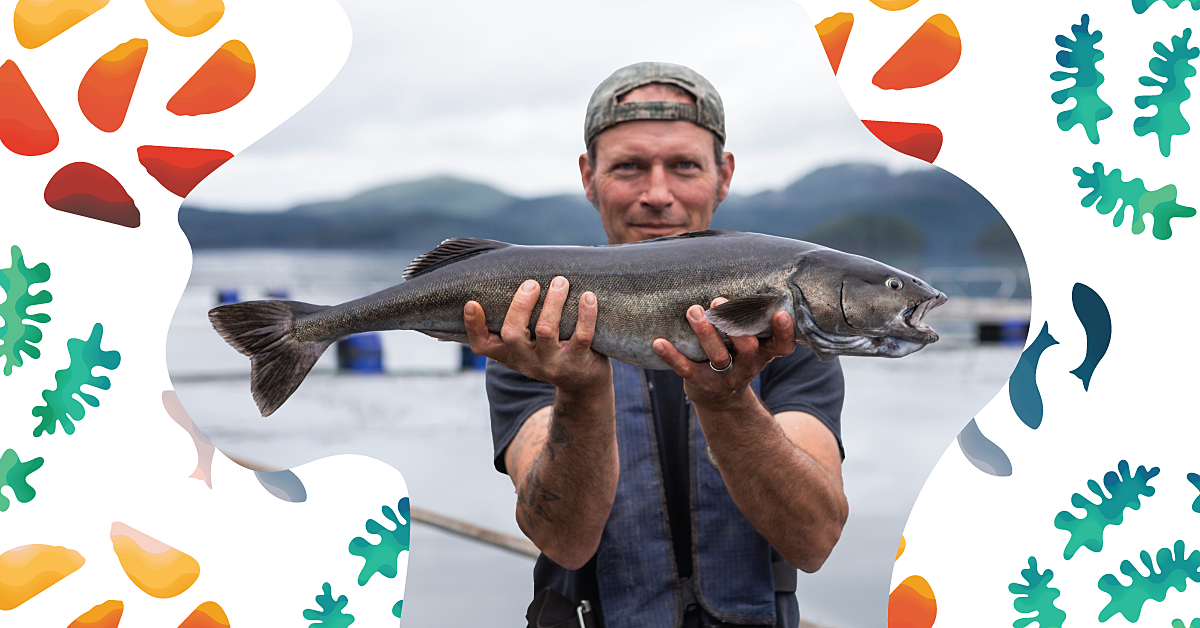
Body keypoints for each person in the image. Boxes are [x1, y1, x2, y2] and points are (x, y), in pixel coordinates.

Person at [462, 62, 848, 628]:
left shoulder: (787, 332)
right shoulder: (531, 325)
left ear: (724, 174)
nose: (658, 194)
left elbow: (814, 541)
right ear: (588, 176)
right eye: (630, 168)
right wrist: (580, 390)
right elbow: (564, 540)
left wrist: (727, 400)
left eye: (685, 166)